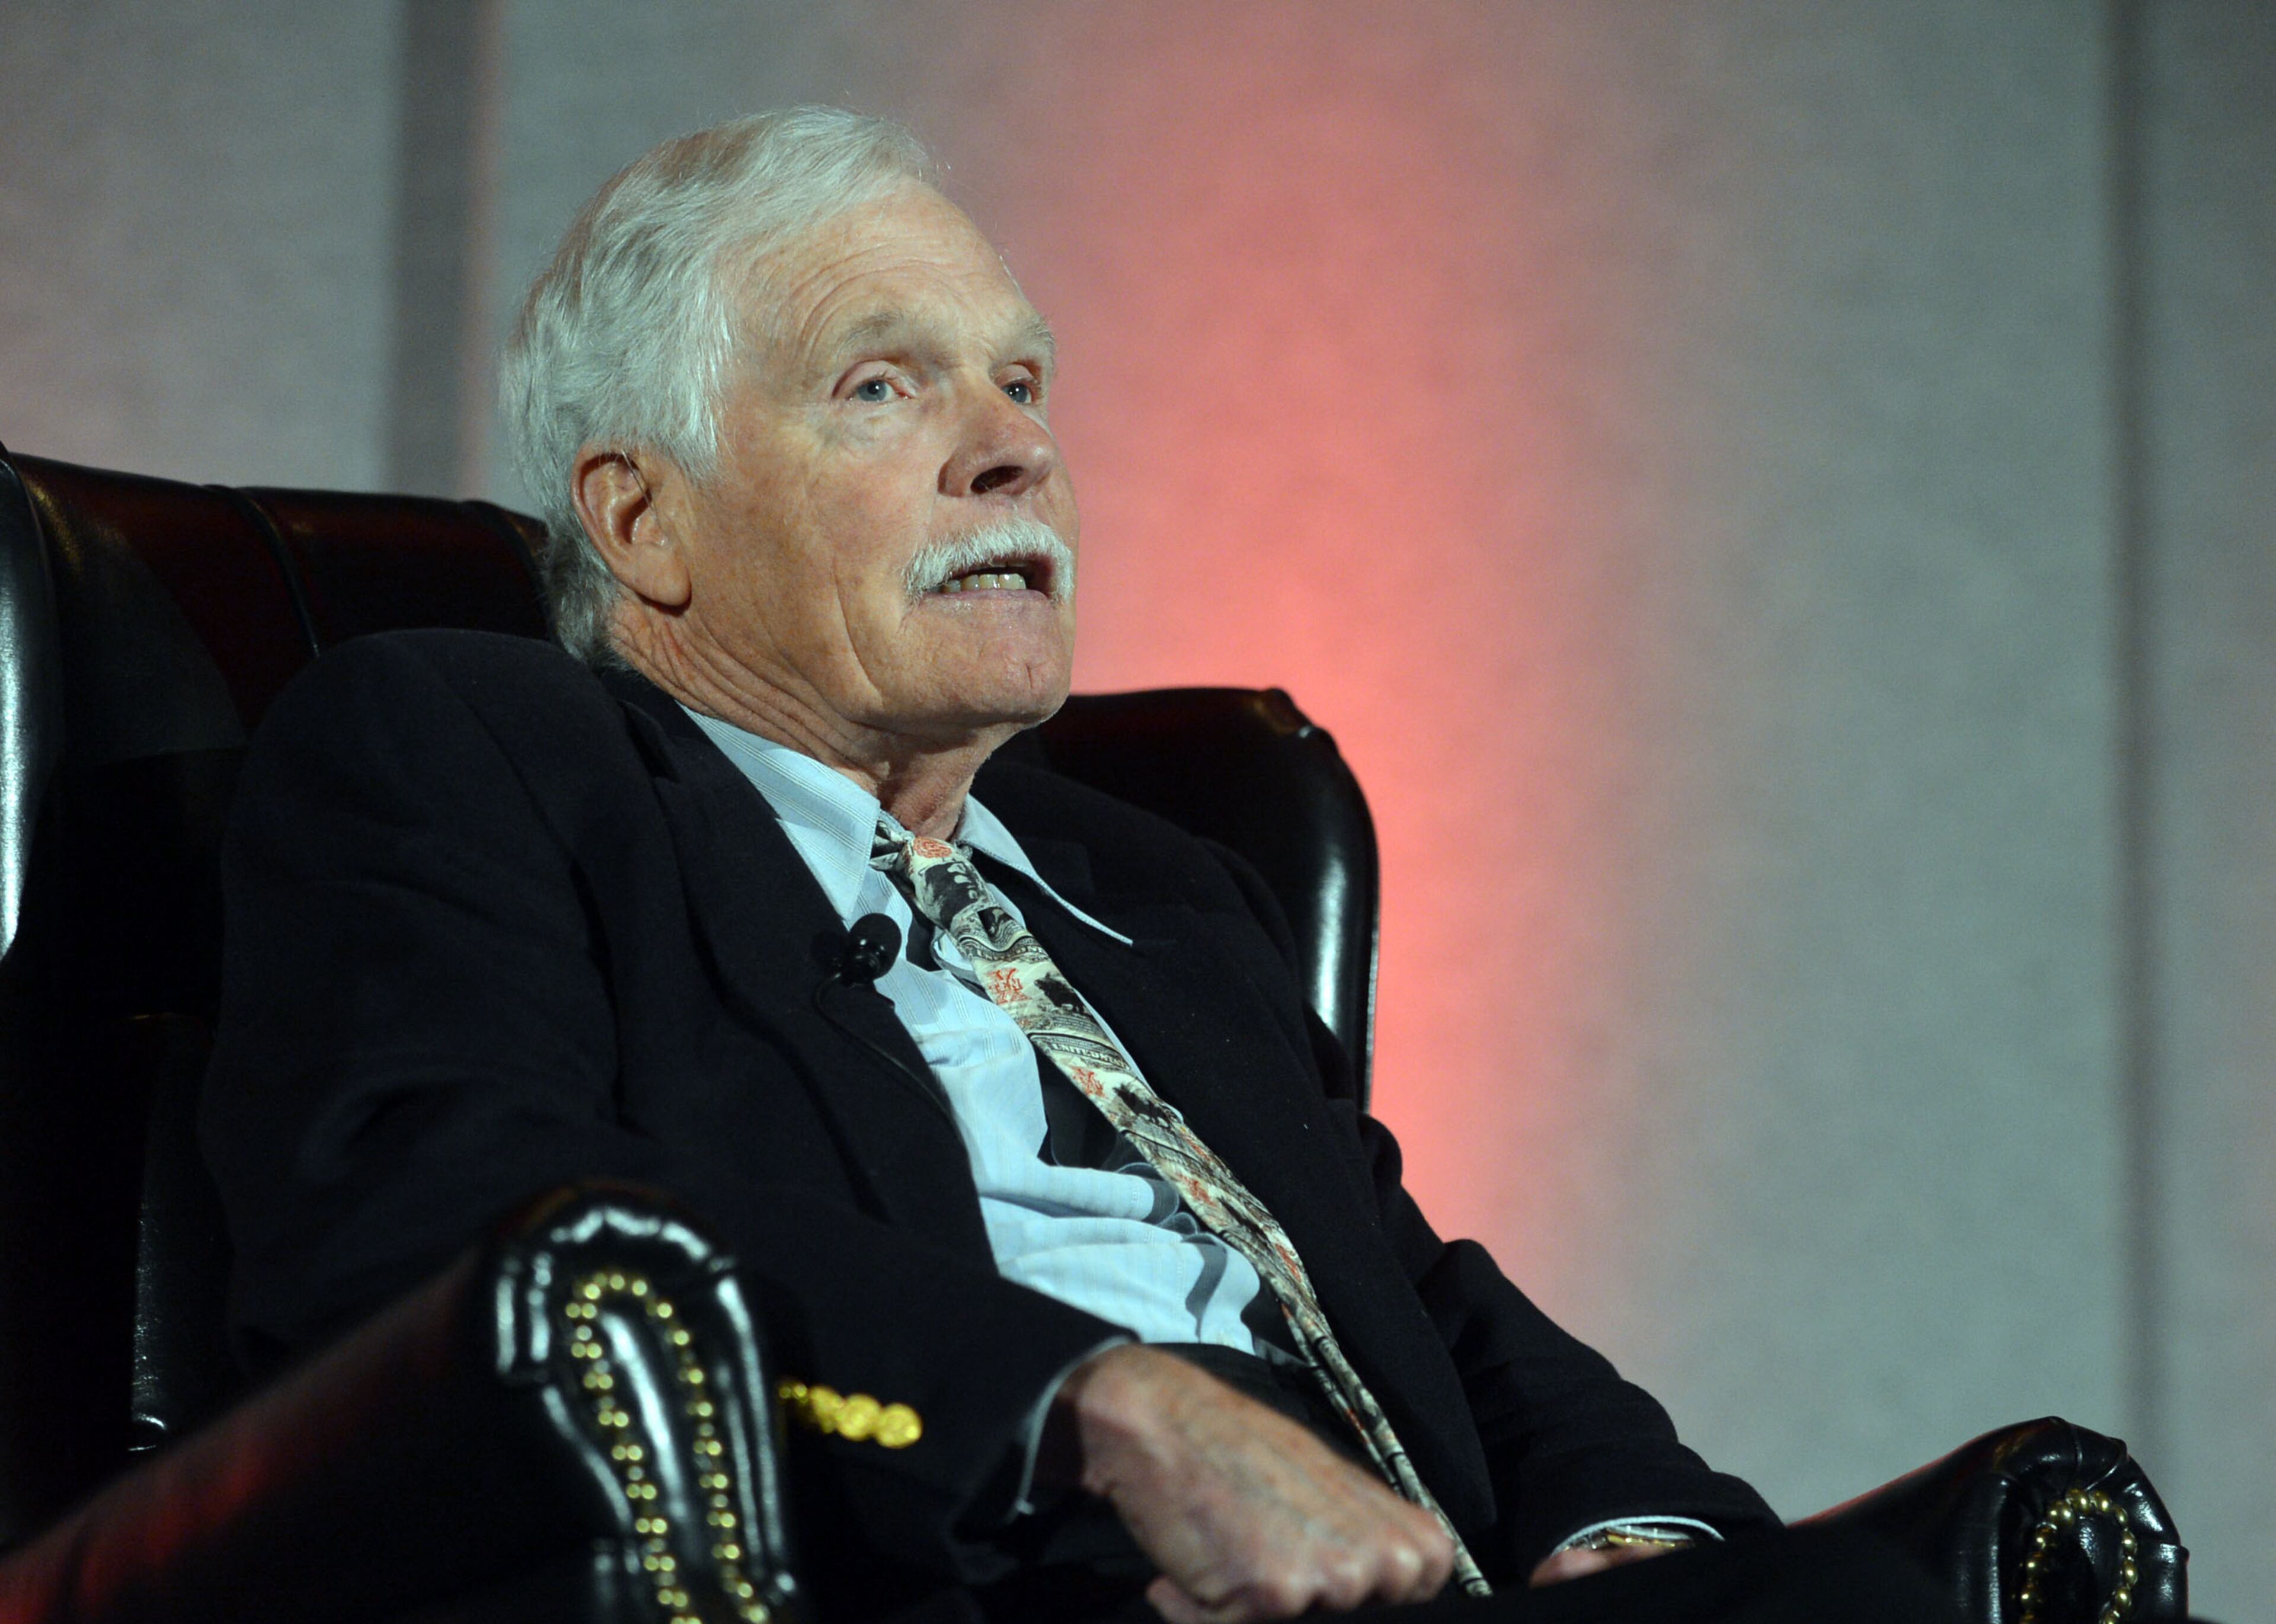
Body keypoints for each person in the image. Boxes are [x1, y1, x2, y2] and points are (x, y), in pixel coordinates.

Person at [200, 108, 1956, 1624]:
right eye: (883, 385)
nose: (1014, 446)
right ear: (642, 517)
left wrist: (1618, 1529)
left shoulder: (1165, 887)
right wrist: (1091, 1402)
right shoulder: (475, 748)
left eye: (1022, 379)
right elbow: (438, 1200)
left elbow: (1416, 1291)